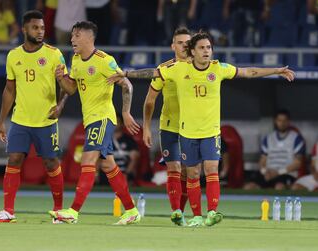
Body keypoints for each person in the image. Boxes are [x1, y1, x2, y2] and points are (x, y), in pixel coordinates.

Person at [108, 31, 295, 227]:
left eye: (209, 48)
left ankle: (212, 212)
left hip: (211, 132)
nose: (206, 51)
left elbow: (248, 72)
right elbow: (152, 73)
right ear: (193, 52)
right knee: (193, 174)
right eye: (202, 48)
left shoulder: (219, 68)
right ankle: (194, 215)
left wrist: (276, 71)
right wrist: (127, 73)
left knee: (212, 169)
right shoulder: (178, 69)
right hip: (186, 131)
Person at [49, 21, 141, 225]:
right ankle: (131, 210)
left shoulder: (104, 60)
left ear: (90, 37)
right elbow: (72, 88)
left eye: (77, 35)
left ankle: (73, 212)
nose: (72, 39)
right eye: (72, 35)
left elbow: (126, 84)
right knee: (108, 165)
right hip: (90, 119)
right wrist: (61, 83)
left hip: (102, 118)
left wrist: (125, 113)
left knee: (88, 160)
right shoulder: (76, 59)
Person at [0, 10, 68, 223]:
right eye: (35, 27)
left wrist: (60, 105)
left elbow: (67, 87)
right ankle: (8, 211)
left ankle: (59, 211)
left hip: (46, 121)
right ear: (24, 29)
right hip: (20, 120)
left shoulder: (54, 54)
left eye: (42, 28)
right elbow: (9, 90)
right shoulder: (13, 55)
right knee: (14, 159)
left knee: (51, 163)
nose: (40, 31)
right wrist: (1, 121)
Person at [143, 27, 191, 226]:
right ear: (173, 46)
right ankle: (176, 212)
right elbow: (150, 101)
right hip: (169, 126)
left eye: (187, 43)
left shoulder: (200, 67)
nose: (184, 46)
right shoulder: (163, 69)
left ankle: (181, 210)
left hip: (192, 127)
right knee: (174, 167)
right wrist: (146, 127)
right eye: (180, 42)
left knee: (189, 172)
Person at [244, 110, 305, 190]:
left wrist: (278, 172)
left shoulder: (296, 138)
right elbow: (262, 161)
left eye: (284, 121)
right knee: (248, 187)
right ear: (275, 121)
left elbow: (298, 163)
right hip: (268, 173)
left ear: (288, 122)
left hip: (286, 173)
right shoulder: (268, 138)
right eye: (279, 120)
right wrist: (264, 172)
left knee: (279, 187)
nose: (282, 123)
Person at [99, 113, 139, 185]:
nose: (114, 124)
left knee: (128, 179)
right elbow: (98, 158)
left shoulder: (129, 140)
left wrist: (127, 173)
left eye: (116, 121)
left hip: (124, 173)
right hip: (107, 174)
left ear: (122, 124)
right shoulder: (103, 140)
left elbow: (134, 158)